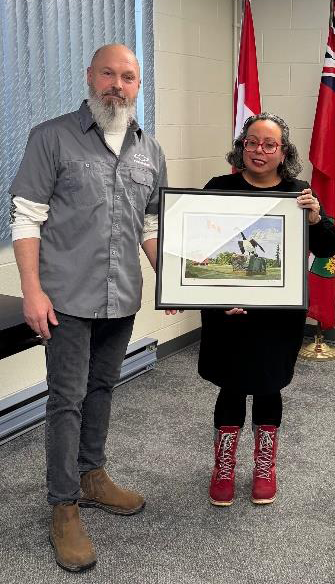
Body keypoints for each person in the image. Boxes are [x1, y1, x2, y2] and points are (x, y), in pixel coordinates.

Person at [10, 44, 169, 572]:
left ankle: (92, 474)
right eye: (108, 74)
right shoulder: (51, 137)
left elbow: (149, 226)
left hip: (121, 297)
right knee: (66, 399)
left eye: (128, 77)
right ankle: (64, 505)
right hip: (65, 300)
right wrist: (32, 291)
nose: (116, 85)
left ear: (137, 85)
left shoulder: (151, 151)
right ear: (90, 76)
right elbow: (27, 217)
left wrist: (173, 281)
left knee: (102, 388)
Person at [199, 113, 335, 507]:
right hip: (227, 312)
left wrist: (314, 217)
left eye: (269, 144)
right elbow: (194, 244)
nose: (259, 151)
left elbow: (328, 247)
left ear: (283, 153)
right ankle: (223, 468)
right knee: (230, 385)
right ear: (241, 147)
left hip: (276, 318)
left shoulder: (299, 193)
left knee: (268, 385)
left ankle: (265, 466)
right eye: (251, 143)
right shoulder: (217, 188)